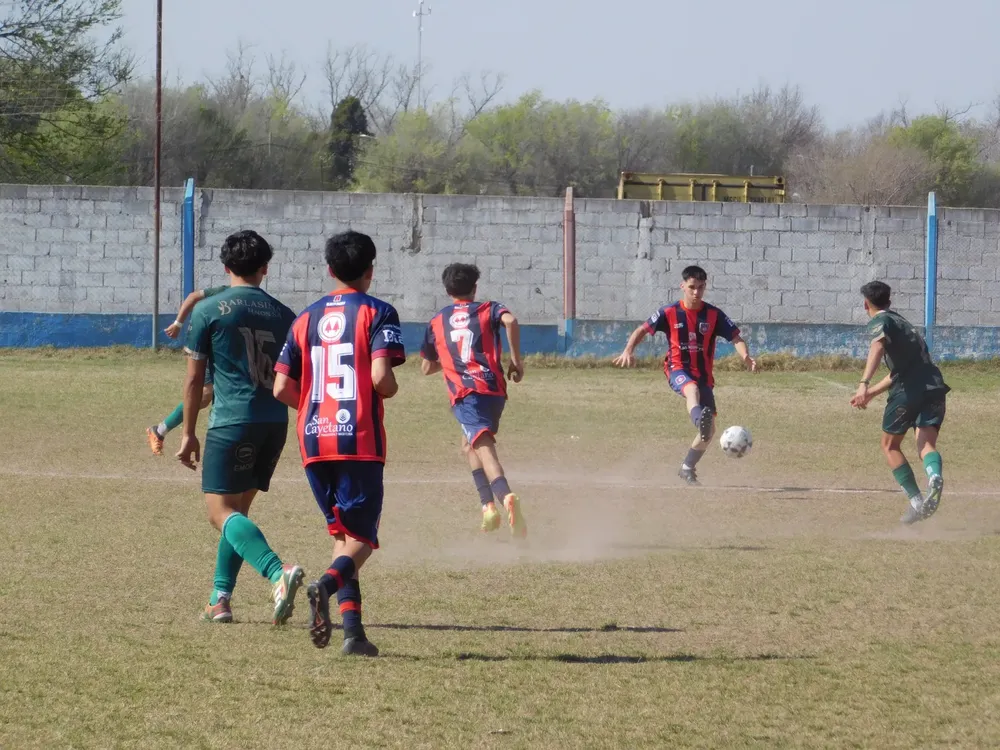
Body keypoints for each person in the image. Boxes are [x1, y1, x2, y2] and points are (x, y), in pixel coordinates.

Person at [273, 230, 406, 656]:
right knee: (364, 539)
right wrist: (389, 390)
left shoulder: (304, 318)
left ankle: (353, 633)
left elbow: (280, 387)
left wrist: (315, 410)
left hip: (313, 441)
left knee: (343, 537)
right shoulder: (379, 312)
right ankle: (326, 586)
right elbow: (381, 379)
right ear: (371, 270)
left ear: (329, 270)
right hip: (358, 439)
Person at [176, 229, 304, 625]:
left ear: (225, 266)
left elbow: (196, 381)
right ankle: (220, 599)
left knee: (220, 512)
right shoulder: (286, 316)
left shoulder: (208, 309)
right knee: (238, 512)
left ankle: (276, 572)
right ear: (265, 268)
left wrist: (186, 431)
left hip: (232, 422)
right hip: (274, 423)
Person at [613, 265, 757, 485]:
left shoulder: (714, 314)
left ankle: (687, 467)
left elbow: (736, 337)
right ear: (683, 286)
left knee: (709, 433)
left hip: (704, 375)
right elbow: (642, 329)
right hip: (677, 368)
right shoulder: (669, 312)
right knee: (692, 390)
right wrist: (628, 350)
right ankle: (700, 419)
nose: (696, 292)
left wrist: (745, 356)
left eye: (701, 287)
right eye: (692, 287)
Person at [419, 263, 527, 537]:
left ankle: (504, 497)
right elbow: (511, 321)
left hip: (467, 394)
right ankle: (487, 507)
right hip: (494, 390)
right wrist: (516, 361)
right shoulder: (488, 308)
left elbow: (427, 367)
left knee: (484, 449)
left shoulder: (437, 321)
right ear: (474, 288)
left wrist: (448, 359)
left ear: (447, 290)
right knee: (468, 447)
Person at [849, 280, 948, 524]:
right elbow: (899, 371)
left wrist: (863, 383)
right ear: (889, 301)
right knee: (925, 444)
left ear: (866, 304)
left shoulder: (880, 322)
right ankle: (934, 475)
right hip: (934, 386)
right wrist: (871, 393)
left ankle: (917, 502)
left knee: (889, 446)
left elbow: (877, 346)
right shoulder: (904, 324)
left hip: (909, 391)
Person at [146, 286, 226, 456]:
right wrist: (177, 323)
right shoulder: (222, 291)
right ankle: (158, 431)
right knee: (205, 394)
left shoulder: (252, 298)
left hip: (226, 355)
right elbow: (192, 297)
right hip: (207, 351)